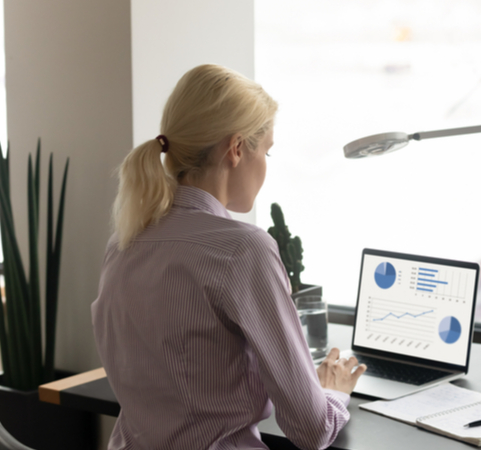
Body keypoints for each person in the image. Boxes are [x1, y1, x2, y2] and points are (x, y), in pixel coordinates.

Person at [91, 64, 366, 450]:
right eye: (267, 150)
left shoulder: (124, 242)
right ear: (236, 149)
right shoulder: (243, 250)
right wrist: (333, 392)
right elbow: (311, 429)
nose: (266, 165)